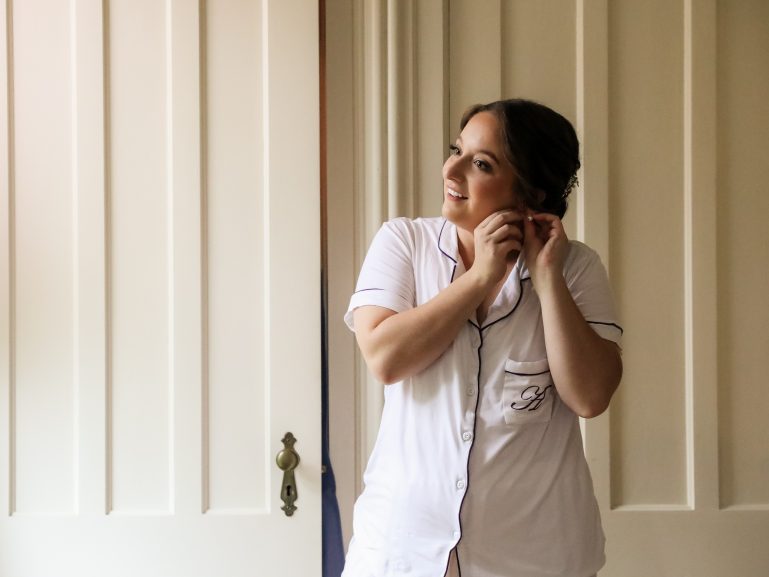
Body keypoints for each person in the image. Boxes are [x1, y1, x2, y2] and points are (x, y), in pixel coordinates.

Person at [341, 98, 623, 577]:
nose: (451, 170)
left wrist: (548, 280)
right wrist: (479, 278)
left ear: (530, 193)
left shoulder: (576, 269)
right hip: (401, 552)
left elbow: (590, 396)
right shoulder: (404, 243)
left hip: (535, 558)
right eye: (457, 150)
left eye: (481, 163)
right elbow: (385, 358)